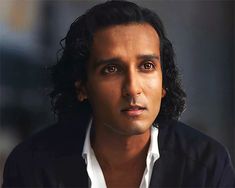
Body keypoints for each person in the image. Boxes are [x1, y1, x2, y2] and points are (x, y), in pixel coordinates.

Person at [2, 1, 235, 187]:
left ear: (164, 83)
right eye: (111, 69)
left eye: (146, 66)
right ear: (82, 86)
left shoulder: (206, 164)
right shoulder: (32, 165)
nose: (133, 88)